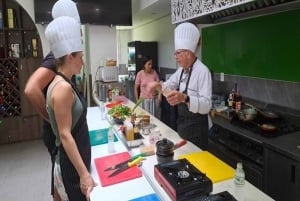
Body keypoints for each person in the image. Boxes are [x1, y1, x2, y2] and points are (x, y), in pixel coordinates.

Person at [24, 0, 81, 199]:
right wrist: (52, 119)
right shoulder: (55, 57)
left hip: (59, 130)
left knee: (58, 175)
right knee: (63, 173)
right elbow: (31, 89)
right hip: (55, 132)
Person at [45, 16, 96, 201]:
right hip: (72, 168)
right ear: (69, 57)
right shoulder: (63, 88)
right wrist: (84, 174)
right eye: (80, 57)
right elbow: (65, 135)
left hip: (74, 163)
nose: (82, 62)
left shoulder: (64, 82)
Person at [147, 22, 212, 150]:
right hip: (183, 126)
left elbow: (207, 106)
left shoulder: (203, 71)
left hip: (198, 129)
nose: (175, 57)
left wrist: (185, 98)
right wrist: (157, 85)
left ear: (188, 53)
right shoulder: (181, 70)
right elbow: (167, 86)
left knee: (196, 165)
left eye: (178, 53)